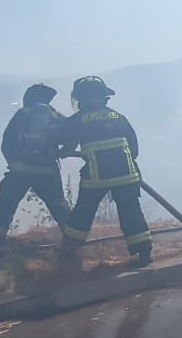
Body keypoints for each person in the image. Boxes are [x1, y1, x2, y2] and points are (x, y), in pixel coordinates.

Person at [57, 76, 153, 267]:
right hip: (127, 174)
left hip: (96, 177)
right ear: (104, 97)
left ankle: (69, 249)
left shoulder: (78, 120)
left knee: (82, 213)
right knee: (131, 212)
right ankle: (143, 252)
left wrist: (61, 151)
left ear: (82, 99)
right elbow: (134, 149)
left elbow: (66, 145)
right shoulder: (118, 117)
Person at [0, 83, 72, 245]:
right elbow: (68, 140)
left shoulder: (22, 114)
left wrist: (14, 163)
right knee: (58, 203)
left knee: (6, 204)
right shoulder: (57, 117)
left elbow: (7, 142)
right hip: (47, 170)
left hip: (20, 171)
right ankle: (74, 237)